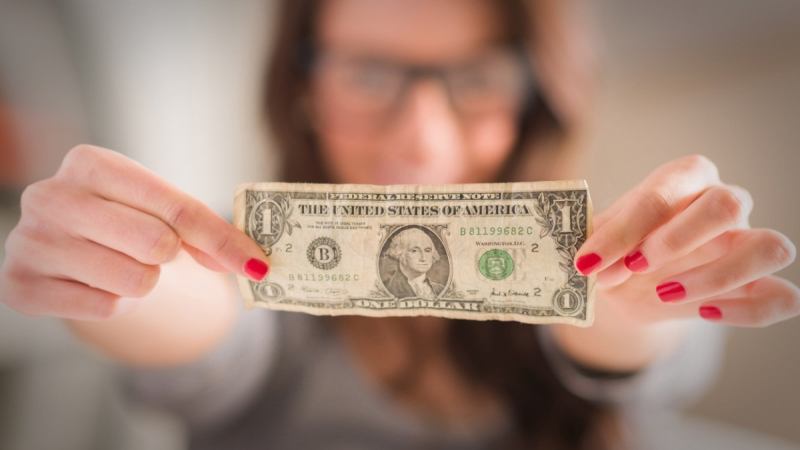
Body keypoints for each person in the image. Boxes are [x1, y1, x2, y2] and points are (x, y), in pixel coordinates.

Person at [1, 0, 798, 449]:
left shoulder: (602, 245)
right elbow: (203, 325)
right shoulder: (247, 257)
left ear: (535, 98)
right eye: (368, 73)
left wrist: (634, 299)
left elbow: (622, 347)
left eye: (477, 76)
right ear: (303, 87)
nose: (420, 135)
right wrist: (123, 271)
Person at [382, 226, 446, 300]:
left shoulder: (440, 289)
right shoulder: (386, 288)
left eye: (427, 250)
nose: (423, 258)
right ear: (399, 253)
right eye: (414, 251)